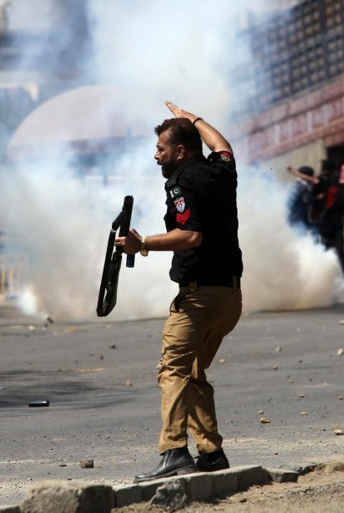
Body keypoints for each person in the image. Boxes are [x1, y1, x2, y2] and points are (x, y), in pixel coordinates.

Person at [115, 102, 243, 482]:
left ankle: (173, 451)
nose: (156, 156)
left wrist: (143, 244)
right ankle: (211, 452)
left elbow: (191, 235)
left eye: (161, 149)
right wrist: (196, 119)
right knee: (192, 372)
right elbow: (224, 147)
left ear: (180, 151)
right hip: (229, 297)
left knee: (172, 369)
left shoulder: (182, 182)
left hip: (199, 298)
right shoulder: (219, 171)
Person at [286, 165, 315, 233]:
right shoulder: (303, 187)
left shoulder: (295, 186)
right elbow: (306, 200)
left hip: (293, 218)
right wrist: (317, 198)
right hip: (299, 220)